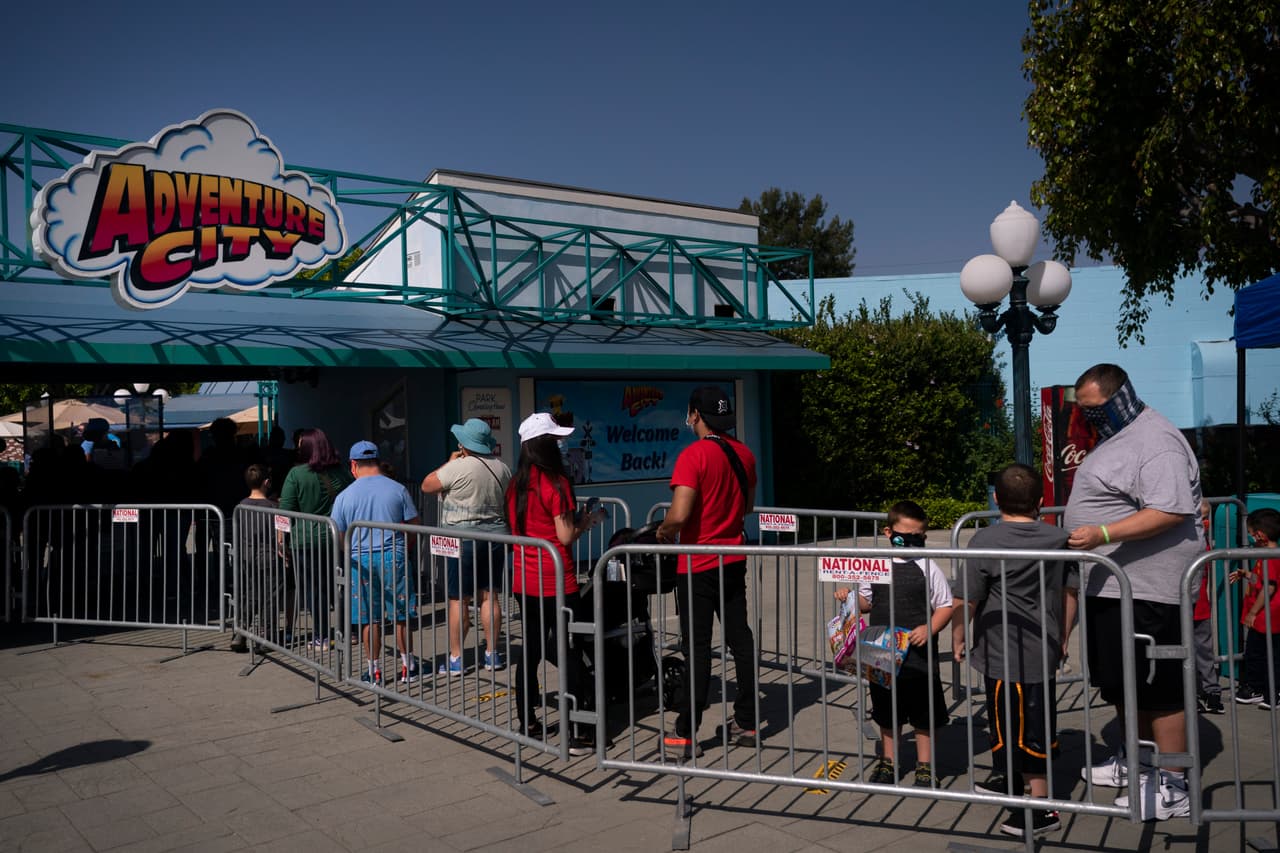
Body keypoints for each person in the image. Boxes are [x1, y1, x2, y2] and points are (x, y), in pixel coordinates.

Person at [1064, 363, 1201, 821]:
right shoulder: (1119, 437)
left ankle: (1175, 785)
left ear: (1119, 396)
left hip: (1148, 588)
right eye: (1082, 411)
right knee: (1125, 683)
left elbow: (1171, 510)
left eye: (1094, 410)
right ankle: (1138, 764)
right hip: (1115, 585)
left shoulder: (1155, 440)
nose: (1088, 419)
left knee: (1157, 688)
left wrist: (1103, 532)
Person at [952, 464, 1078, 838]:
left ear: (995, 499)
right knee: (1013, 720)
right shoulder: (1059, 538)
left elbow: (969, 598)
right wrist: (1065, 636)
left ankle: (1042, 807)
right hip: (1037, 646)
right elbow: (1069, 594)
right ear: (1041, 501)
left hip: (1002, 648)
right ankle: (1008, 780)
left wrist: (958, 635)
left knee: (1025, 727)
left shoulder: (984, 540)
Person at [656, 386, 759, 758]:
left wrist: (663, 531)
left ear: (694, 415)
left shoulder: (693, 456)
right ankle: (747, 721)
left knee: (697, 647)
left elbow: (680, 515)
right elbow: (747, 505)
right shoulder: (744, 454)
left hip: (697, 564)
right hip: (732, 558)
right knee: (739, 638)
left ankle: (685, 733)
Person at [841, 500, 952, 788]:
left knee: (923, 713)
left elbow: (945, 605)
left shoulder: (928, 565)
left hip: (918, 657)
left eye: (919, 537)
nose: (913, 543)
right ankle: (888, 761)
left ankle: (925, 765)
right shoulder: (875, 564)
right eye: (906, 537)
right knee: (886, 712)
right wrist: (850, 596)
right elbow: (866, 602)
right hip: (880, 652)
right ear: (889, 533)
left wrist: (930, 628)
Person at [505, 412, 594, 754]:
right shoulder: (556, 483)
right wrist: (584, 521)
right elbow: (565, 535)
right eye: (556, 439)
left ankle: (527, 722)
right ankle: (580, 731)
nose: (562, 444)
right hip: (557, 581)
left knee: (530, 650)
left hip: (523, 580)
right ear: (545, 445)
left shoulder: (516, 484)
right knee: (571, 653)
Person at [420, 418, 512, 676]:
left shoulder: (457, 467)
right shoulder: (502, 467)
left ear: (464, 444)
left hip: (461, 539)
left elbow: (427, 485)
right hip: (496, 538)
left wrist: (450, 461)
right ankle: (492, 654)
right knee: (490, 595)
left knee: (457, 599)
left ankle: (457, 658)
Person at [331, 440, 422, 684]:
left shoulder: (344, 496)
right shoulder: (397, 489)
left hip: (359, 559)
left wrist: (348, 550)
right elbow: (414, 524)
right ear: (377, 461)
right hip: (394, 555)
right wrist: (406, 546)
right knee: (401, 614)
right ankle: (408, 667)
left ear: (353, 465)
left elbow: (338, 534)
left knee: (368, 618)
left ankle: (374, 671)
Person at [278, 428, 352, 649]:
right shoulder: (341, 471)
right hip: (337, 537)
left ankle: (321, 635)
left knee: (313, 588)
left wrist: (281, 539)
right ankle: (348, 631)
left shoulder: (296, 474)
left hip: (305, 540)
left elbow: (285, 510)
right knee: (339, 585)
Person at [229, 464, 280, 654]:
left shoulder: (240, 507)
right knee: (270, 597)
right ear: (267, 482)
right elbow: (280, 535)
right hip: (269, 557)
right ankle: (266, 637)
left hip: (247, 557)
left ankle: (240, 632)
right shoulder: (274, 507)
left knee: (249, 595)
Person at [1235, 509, 1280, 707]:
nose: (1250, 537)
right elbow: (1262, 581)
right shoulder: (1267, 556)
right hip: (1266, 617)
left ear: (1259, 535)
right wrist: (1246, 574)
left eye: (1251, 533)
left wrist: (1253, 613)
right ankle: (1265, 690)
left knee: (1259, 655)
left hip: (1265, 617)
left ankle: (1261, 690)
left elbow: (1269, 587)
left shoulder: (1269, 556)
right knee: (1263, 654)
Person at [1192, 500, 1226, 714]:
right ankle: (1190, 693)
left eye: (1207, 518)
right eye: (1200, 518)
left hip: (1201, 608)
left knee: (1204, 650)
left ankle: (1211, 690)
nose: (1204, 523)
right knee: (1182, 653)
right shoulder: (1186, 542)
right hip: (1180, 607)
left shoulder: (1205, 544)